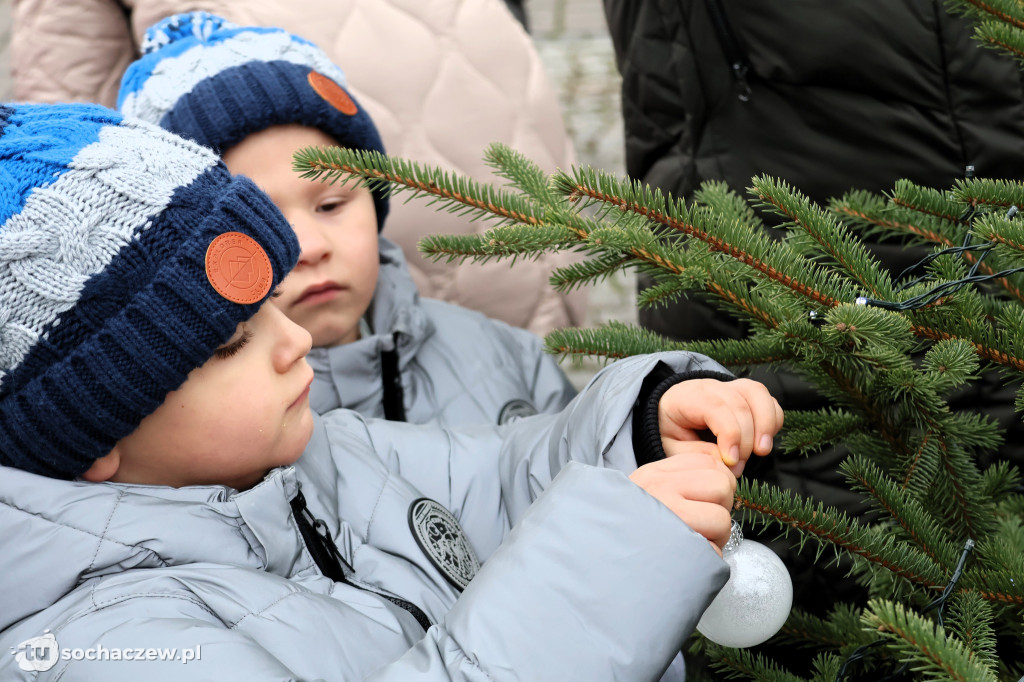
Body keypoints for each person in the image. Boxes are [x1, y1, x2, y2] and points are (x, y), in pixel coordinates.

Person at [0, 102, 784, 681]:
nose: (297, 339)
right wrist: (598, 582)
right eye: (234, 340)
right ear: (95, 432)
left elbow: (502, 478)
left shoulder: (320, 456)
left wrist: (641, 428)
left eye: (273, 302)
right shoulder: (106, 645)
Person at [11, 0, 584, 336]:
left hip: (501, 228)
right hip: (256, 296)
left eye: (329, 206)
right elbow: (69, 111)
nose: (307, 244)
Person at [113, 12, 576, 425]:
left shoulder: (509, 358)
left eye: (331, 205)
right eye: (260, 224)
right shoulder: (193, 433)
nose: (310, 248)